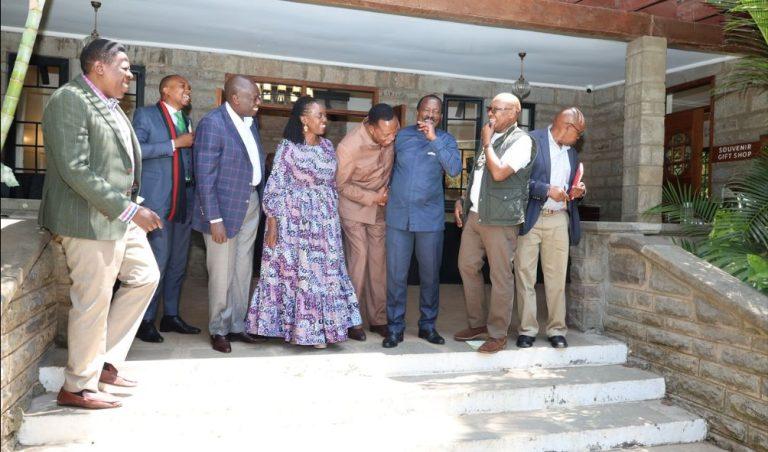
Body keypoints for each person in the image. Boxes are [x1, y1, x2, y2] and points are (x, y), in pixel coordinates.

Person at [38, 38, 162, 409]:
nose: (128, 74)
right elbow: (75, 169)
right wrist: (129, 209)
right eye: (123, 66)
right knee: (92, 302)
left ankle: (104, 361)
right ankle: (76, 386)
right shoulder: (70, 100)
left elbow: (116, 164)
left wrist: (133, 205)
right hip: (86, 220)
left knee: (145, 276)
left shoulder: (111, 104)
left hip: (119, 215)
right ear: (99, 67)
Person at [246, 96, 362, 349]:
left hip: (323, 225)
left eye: (325, 115)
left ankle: (321, 331)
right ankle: (290, 328)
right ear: (303, 119)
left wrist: (332, 219)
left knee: (323, 276)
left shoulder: (328, 146)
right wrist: (273, 225)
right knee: (296, 275)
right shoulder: (288, 148)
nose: (324, 120)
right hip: (293, 225)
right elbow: (275, 186)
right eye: (319, 115)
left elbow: (332, 184)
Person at [453, 93, 535, 353]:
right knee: (467, 266)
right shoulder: (491, 137)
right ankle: (477, 324)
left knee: (500, 276)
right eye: (490, 109)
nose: (491, 114)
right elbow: (480, 177)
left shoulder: (522, 141)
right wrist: (463, 200)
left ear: (514, 113)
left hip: (500, 219)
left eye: (497, 110)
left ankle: (498, 334)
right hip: (476, 214)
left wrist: (487, 144)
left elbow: (499, 173)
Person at [192, 75, 267, 353]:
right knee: (222, 273)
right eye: (254, 97)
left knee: (243, 270)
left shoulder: (250, 123)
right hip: (222, 210)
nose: (258, 102)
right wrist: (214, 220)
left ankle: (237, 325)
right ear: (235, 99)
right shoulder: (213, 124)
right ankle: (218, 329)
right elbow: (204, 177)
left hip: (249, 204)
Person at [383, 94, 461, 348]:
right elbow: (385, 167)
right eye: (426, 109)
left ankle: (427, 326)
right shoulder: (401, 136)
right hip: (398, 218)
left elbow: (454, 170)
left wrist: (434, 140)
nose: (430, 114)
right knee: (396, 276)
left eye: (435, 111)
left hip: (430, 220)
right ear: (418, 112)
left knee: (429, 276)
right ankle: (394, 328)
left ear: (440, 116)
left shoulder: (446, 140)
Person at [132, 74, 200, 342]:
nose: (188, 90)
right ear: (165, 90)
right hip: (158, 202)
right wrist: (174, 144)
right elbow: (136, 149)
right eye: (183, 86)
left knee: (178, 262)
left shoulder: (186, 119)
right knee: (157, 262)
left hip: (184, 201)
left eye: (189, 87)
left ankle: (170, 316)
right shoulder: (146, 115)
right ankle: (145, 320)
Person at [515, 107, 587, 349]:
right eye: (578, 133)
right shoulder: (530, 141)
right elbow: (518, 181)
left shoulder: (572, 154)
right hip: (531, 217)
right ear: (567, 127)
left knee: (557, 277)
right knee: (525, 275)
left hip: (558, 218)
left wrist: (578, 190)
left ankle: (557, 329)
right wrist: (546, 189)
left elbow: (573, 182)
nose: (579, 139)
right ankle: (527, 330)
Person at [336, 103, 399, 340]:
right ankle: (350, 320)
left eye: (395, 132)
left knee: (378, 263)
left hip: (380, 210)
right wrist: (374, 197)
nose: (391, 137)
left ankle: (378, 318)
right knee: (359, 258)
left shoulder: (390, 133)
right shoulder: (349, 146)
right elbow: (340, 185)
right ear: (372, 128)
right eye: (386, 134)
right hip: (354, 209)